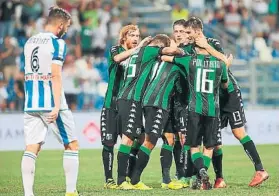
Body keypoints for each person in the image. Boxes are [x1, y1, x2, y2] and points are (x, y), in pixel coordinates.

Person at [184, 16, 269, 188]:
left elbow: (225, 61)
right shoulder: (190, 48)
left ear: (198, 32)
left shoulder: (212, 42)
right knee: (214, 140)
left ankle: (260, 169)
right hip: (211, 98)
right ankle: (217, 178)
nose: (185, 35)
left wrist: (206, 46)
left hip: (228, 93)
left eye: (188, 32)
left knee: (238, 132)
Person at [21, 7, 79, 196]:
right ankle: (71, 192)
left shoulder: (30, 41)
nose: (67, 30)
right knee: (71, 144)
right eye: (67, 26)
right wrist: (56, 106)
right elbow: (55, 75)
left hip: (31, 102)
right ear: (60, 25)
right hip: (51, 102)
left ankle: (28, 194)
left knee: (31, 148)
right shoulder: (57, 43)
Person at [116, 34, 184, 190]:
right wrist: (181, 51)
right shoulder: (151, 51)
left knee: (155, 138)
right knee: (131, 139)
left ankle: (163, 180)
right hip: (132, 97)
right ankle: (125, 180)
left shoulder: (138, 52)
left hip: (134, 98)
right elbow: (174, 52)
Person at [162, 44, 230, 190]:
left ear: (198, 49)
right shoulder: (220, 63)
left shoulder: (190, 60)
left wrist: (162, 54)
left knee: (193, 146)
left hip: (194, 109)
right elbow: (225, 85)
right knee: (209, 146)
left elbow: (167, 58)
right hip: (212, 110)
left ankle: (200, 171)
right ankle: (202, 178)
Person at [101, 24, 150, 189]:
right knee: (109, 142)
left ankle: (128, 174)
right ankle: (109, 179)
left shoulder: (137, 55)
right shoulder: (116, 49)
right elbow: (117, 59)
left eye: (138, 35)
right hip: (111, 104)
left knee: (140, 137)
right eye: (132, 35)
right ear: (124, 38)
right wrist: (141, 48)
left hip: (129, 104)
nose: (136, 39)